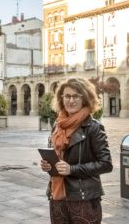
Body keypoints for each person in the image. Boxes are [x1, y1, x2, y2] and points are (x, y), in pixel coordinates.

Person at [40, 77, 113, 224]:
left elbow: (106, 164)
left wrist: (71, 169)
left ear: (85, 98)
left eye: (76, 96)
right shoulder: (58, 125)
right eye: (67, 96)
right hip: (57, 196)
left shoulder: (93, 127)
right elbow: (56, 157)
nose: (71, 100)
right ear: (61, 98)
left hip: (83, 198)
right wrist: (48, 166)